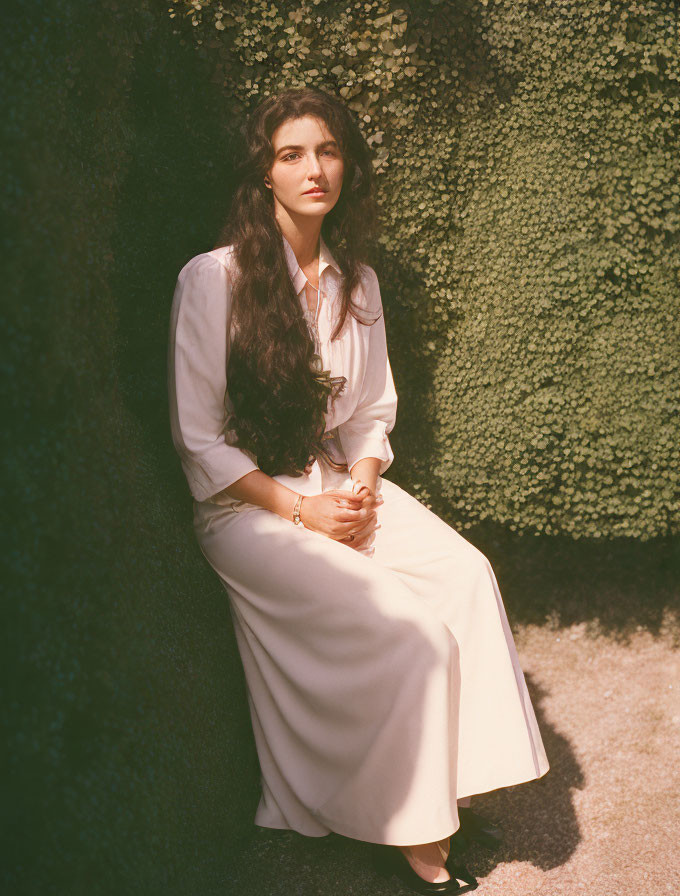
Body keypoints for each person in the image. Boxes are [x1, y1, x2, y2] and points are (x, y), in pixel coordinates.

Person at [168, 86, 549, 894]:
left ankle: (447, 788)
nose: (315, 169)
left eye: (329, 150)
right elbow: (197, 438)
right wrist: (300, 509)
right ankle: (413, 837)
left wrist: (363, 485)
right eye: (292, 154)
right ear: (263, 173)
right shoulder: (214, 280)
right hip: (248, 506)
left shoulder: (357, 283)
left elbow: (370, 411)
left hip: (335, 481)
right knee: (409, 630)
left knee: (465, 576)